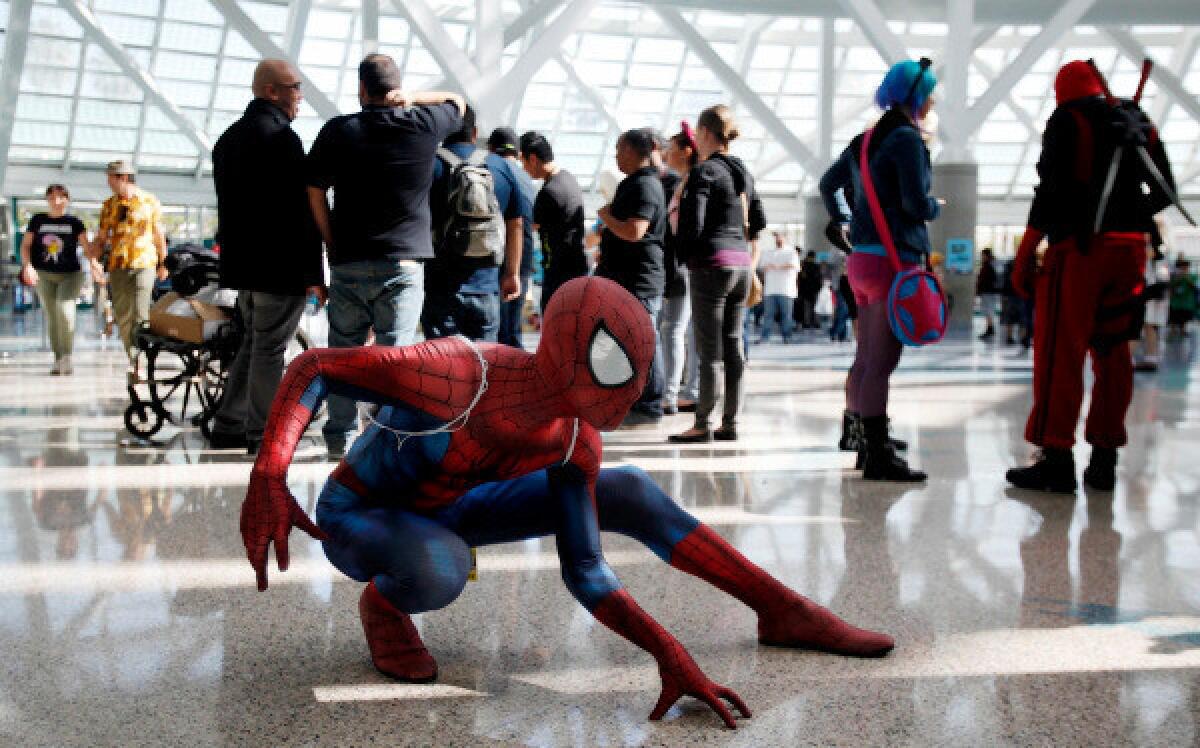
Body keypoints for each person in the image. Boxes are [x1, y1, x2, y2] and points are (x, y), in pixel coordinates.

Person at [239, 276, 893, 730]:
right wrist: (270, 472)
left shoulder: (576, 436)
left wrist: (666, 651)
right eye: (610, 361)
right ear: (564, 345)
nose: (624, 389)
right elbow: (318, 366)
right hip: (363, 514)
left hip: (461, 507)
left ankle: (783, 609)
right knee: (438, 565)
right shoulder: (462, 372)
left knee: (628, 488)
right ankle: (385, 606)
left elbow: (585, 570)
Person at [1007, 60, 1178, 493]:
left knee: (1059, 354)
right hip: (1130, 253)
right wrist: (1131, 216)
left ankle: (1056, 458)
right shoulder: (1135, 120)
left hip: (1079, 252)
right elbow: (1165, 191)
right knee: (1114, 353)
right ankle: (1104, 461)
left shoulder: (1068, 119)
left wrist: (1026, 255)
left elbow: (1048, 194)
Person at [306, 54, 466, 457]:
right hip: (404, 263)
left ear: (361, 89)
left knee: (343, 355)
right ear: (396, 88)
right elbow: (459, 104)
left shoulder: (338, 132)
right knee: (396, 357)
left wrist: (330, 243)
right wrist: (412, 98)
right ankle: (390, 439)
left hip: (349, 261)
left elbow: (312, 191)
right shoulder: (424, 123)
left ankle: (339, 439)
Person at [819, 59, 940, 481]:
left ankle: (859, 434)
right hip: (894, 259)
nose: (934, 100)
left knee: (866, 357)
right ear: (918, 96)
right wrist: (934, 207)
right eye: (930, 93)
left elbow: (827, 184)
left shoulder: (864, 140)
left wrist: (844, 219)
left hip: (863, 259)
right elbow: (913, 204)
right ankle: (877, 454)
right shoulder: (907, 140)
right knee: (882, 361)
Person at [206, 60, 326, 453]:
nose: (300, 96)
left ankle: (228, 422)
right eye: (295, 87)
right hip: (280, 266)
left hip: (243, 268)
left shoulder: (227, 140)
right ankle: (263, 434)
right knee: (270, 348)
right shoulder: (282, 140)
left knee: (254, 344)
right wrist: (314, 272)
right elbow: (301, 213)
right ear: (272, 91)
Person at [669, 105, 765, 444]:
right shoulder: (743, 172)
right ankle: (731, 421)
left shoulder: (704, 172)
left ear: (704, 133)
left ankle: (703, 423)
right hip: (740, 265)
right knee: (733, 345)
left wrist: (683, 256)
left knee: (709, 350)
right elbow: (759, 221)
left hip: (711, 266)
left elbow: (692, 223)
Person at [421, 106, 524, 344]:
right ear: (475, 133)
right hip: (486, 287)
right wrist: (512, 273)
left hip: (440, 288)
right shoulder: (502, 167)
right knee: (484, 369)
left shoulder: (428, 165)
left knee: (441, 369)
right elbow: (516, 224)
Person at [595, 128, 667, 426]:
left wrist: (606, 217)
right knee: (627, 341)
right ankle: (631, 398)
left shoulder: (645, 186)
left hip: (638, 281)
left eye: (620, 149)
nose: (615, 156)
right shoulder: (634, 184)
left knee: (643, 341)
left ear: (637, 151)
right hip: (625, 279)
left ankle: (650, 403)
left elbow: (634, 231)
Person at [91, 160, 168, 384]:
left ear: (123, 178)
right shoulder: (109, 205)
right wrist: (93, 258)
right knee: (123, 316)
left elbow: (157, 234)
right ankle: (132, 356)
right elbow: (102, 237)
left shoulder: (148, 201)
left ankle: (139, 361)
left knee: (140, 313)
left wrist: (164, 262)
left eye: (111, 177)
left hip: (144, 263)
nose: (108, 182)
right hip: (117, 265)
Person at [19, 184, 91, 375]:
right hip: (44, 275)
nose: (56, 201)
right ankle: (58, 358)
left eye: (60, 197)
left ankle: (67, 356)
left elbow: (86, 247)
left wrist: (96, 264)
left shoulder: (75, 222)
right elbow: (26, 245)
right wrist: (28, 266)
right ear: (47, 200)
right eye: (52, 197)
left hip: (71, 275)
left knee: (65, 310)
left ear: (67, 199)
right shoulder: (37, 220)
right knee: (52, 316)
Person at [658, 124, 701, 415]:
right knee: (689, 330)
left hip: (685, 265)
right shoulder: (683, 181)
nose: (666, 154)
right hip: (688, 265)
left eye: (671, 149)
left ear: (686, 151)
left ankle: (672, 394)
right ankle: (689, 391)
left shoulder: (687, 182)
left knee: (673, 329)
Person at [519, 131, 588, 310]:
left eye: (523, 162)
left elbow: (529, 227)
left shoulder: (549, 192)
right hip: (576, 266)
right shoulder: (568, 178)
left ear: (533, 159)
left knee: (554, 323)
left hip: (559, 272)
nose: (524, 168)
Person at [489, 126, 536, 349]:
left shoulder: (493, 174)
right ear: (518, 153)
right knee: (512, 326)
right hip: (523, 263)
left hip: (497, 261)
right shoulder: (528, 180)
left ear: (490, 149)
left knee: (496, 328)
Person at [1135, 235, 1170, 372]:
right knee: (1146, 327)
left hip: (1151, 297)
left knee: (1146, 326)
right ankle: (1150, 357)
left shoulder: (1157, 258)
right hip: (1149, 296)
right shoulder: (1153, 259)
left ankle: (1150, 357)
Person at [758, 232, 799, 343]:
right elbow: (763, 266)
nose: (778, 240)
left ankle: (787, 337)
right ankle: (765, 337)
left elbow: (794, 266)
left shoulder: (791, 252)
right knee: (768, 315)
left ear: (785, 238)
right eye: (776, 238)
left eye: (780, 237)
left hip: (786, 290)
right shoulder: (768, 252)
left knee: (786, 316)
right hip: (770, 289)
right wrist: (781, 266)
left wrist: (776, 266)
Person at [1168, 257, 1197, 339]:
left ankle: (1183, 329)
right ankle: (1172, 329)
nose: (1184, 269)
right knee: (1174, 315)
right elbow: (1171, 286)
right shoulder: (1175, 275)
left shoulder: (1192, 275)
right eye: (1182, 267)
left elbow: (1194, 286)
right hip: (1176, 301)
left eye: (1186, 267)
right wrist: (1179, 277)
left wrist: (1187, 278)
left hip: (1187, 301)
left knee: (1185, 316)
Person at [976, 247, 1000, 340]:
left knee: (988, 310)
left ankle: (990, 329)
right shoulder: (991, 265)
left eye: (983, 255)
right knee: (988, 310)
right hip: (989, 292)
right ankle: (990, 328)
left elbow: (987, 280)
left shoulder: (989, 265)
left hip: (988, 292)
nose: (982, 257)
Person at [795, 250, 823, 330]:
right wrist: (818, 288)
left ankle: (807, 322)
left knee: (806, 306)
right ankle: (815, 322)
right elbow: (819, 279)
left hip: (804, 289)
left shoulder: (803, 265)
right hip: (814, 289)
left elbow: (800, 278)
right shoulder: (816, 266)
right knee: (815, 306)